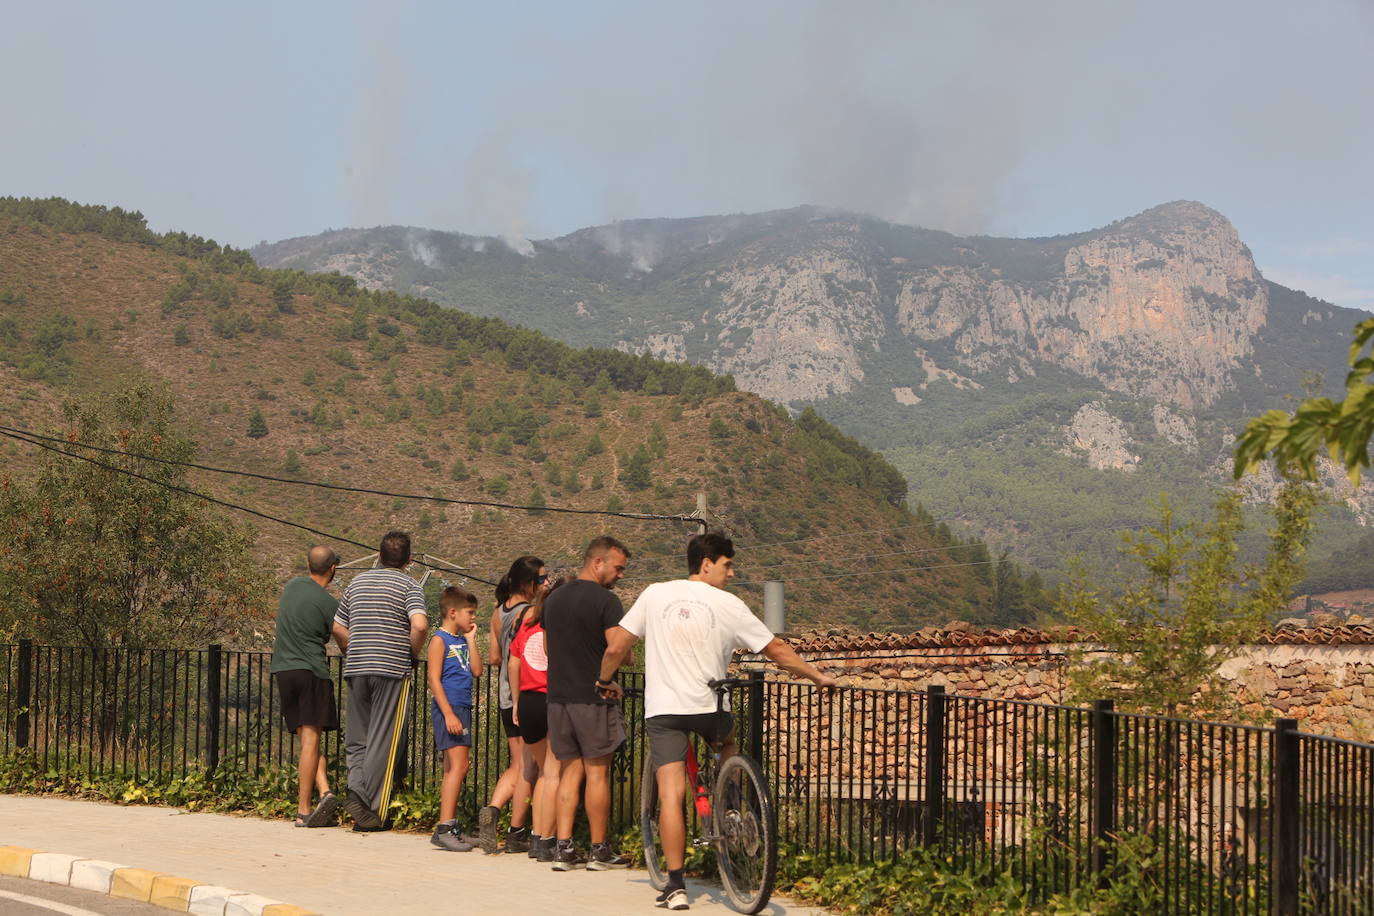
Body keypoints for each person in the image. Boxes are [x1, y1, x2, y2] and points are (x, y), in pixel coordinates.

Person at [598, 532, 837, 910]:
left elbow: (616, 647)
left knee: (671, 797)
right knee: (727, 741)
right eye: (727, 565)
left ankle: (676, 886)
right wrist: (816, 676)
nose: (731, 572)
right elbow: (775, 649)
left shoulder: (655, 593)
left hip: (665, 711)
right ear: (706, 564)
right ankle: (729, 801)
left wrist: (605, 680)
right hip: (709, 708)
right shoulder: (730, 604)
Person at [543, 536, 633, 871]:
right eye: (618, 567)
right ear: (598, 562)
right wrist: (613, 670)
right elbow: (616, 648)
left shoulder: (553, 599)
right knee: (597, 773)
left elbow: (550, 650)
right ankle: (599, 850)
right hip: (594, 698)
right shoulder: (606, 601)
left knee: (570, 771)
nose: (620, 575)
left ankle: (563, 850)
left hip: (558, 698)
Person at [331, 530, 428, 831]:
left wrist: (353, 648)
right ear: (409, 559)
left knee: (358, 738)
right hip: (392, 669)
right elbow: (421, 625)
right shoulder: (410, 586)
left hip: (357, 666)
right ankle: (370, 810)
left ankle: (355, 789)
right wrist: (411, 652)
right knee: (384, 741)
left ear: (378, 554)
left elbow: (337, 626)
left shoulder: (357, 583)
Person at [477, 555, 548, 854]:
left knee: (519, 763)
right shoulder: (532, 612)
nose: (546, 583)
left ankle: (496, 813)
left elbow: (495, 657)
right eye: (542, 579)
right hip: (527, 693)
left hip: (507, 696)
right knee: (527, 768)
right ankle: (514, 828)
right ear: (527, 584)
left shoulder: (498, 612)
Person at [270, 545, 342, 828]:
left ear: (308, 564)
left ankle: (324, 791)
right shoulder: (330, 605)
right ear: (333, 568)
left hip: (283, 671)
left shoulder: (292, 586)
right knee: (312, 741)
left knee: (306, 743)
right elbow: (341, 636)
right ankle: (304, 811)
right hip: (311, 671)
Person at [509, 575, 565, 863]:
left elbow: (513, 662)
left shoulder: (527, 627)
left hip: (528, 701)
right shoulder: (559, 629)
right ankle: (546, 839)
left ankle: (534, 837)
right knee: (555, 773)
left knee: (542, 772)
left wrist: (516, 703)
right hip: (550, 699)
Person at [427, 586, 483, 851]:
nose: (473, 618)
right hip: (449, 709)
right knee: (458, 767)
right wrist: (448, 713)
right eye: (469, 613)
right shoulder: (439, 640)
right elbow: (434, 679)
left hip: (462, 707)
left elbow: (477, 670)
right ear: (453, 612)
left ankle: (449, 825)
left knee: (457, 767)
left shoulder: (460, 640)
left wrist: (472, 640)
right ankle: (445, 827)